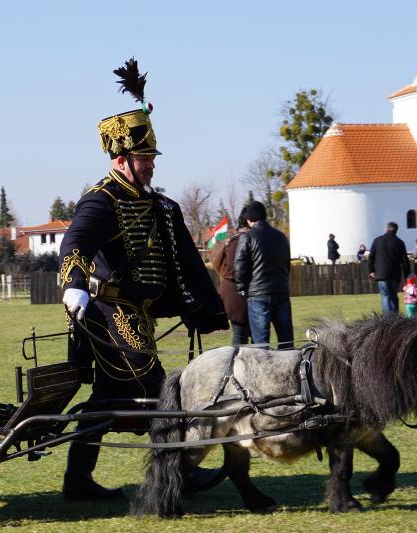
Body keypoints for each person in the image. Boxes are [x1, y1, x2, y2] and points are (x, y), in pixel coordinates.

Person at [59, 58, 227, 501]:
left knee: (106, 400)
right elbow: (75, 243)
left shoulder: (159, 205)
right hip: (108, 312)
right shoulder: (100, 200)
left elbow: (186, 261)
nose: (151, 165)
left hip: (140, 312)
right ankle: (178, 473)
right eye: (144, 158)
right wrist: (72, 283)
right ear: (122, 160)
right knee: (159, 390)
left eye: (152, 158)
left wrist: (208, 310)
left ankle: (77, 481)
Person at [235, 201, 294, 350]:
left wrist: (241, 287)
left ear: (249, 219)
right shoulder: (281, 236)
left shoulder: (248, 237)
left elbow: (240, 264)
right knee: (286, 340)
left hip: (258, 294)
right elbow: (286, 263)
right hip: (281, 291)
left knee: (261, 343)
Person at [211, 208, 251, 346]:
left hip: (238, 295)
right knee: (240, 338)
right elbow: (233, 270)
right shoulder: (238, 241)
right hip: (237, 296)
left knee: (246, 337)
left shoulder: (236, 240)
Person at [368, 222, 410, 314]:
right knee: (393, 295)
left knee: (385, 295)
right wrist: (407, 276)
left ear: (386, 229)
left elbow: (371, 256)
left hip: (381, 273)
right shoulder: (399, 242)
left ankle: (387, 317)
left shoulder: (377, 240)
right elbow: (405, 261)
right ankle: (395, 316)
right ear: (396, 230)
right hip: (395, 274)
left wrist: (371, 270)